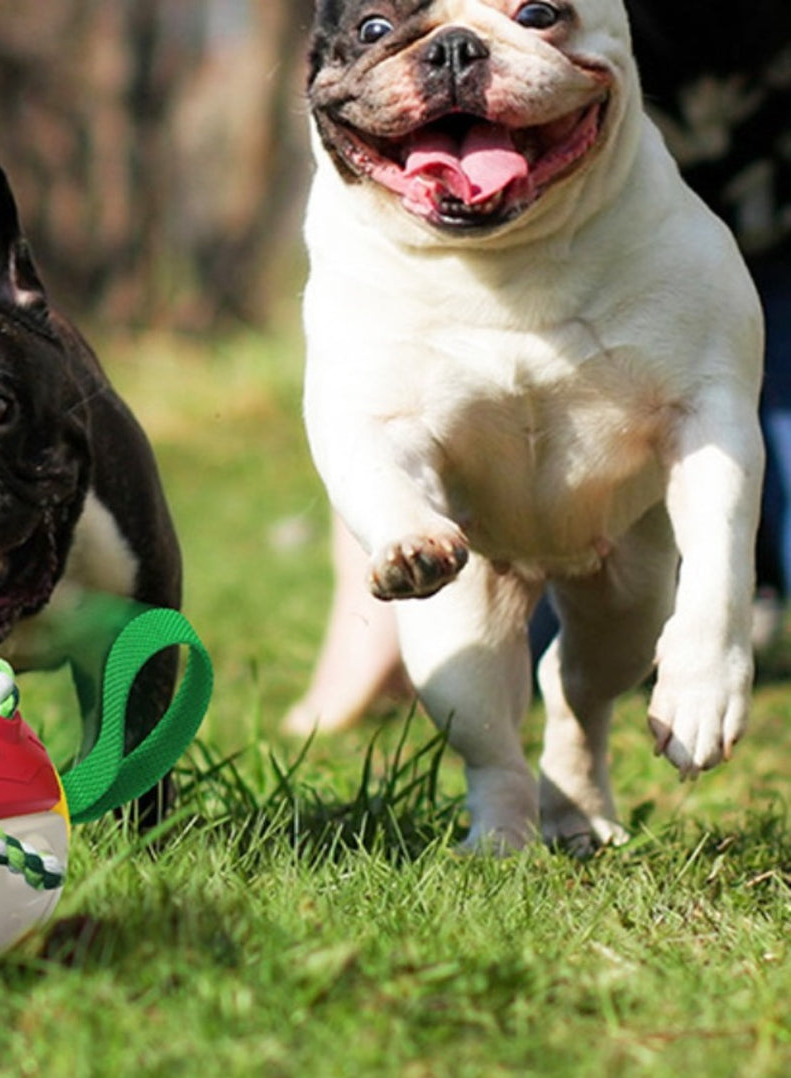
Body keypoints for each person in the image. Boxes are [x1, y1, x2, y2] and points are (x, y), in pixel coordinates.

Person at [286, 4, 791, 737]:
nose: (456, 56)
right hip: (484, 502)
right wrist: (381, 538)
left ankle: (602, 716)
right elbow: (362, 417)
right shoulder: (348, 245)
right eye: (376, 30)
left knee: (611, 645)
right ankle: (502, 795)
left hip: (750, 177)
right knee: (474, 660)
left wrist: (712, 626)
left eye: (534, 13)